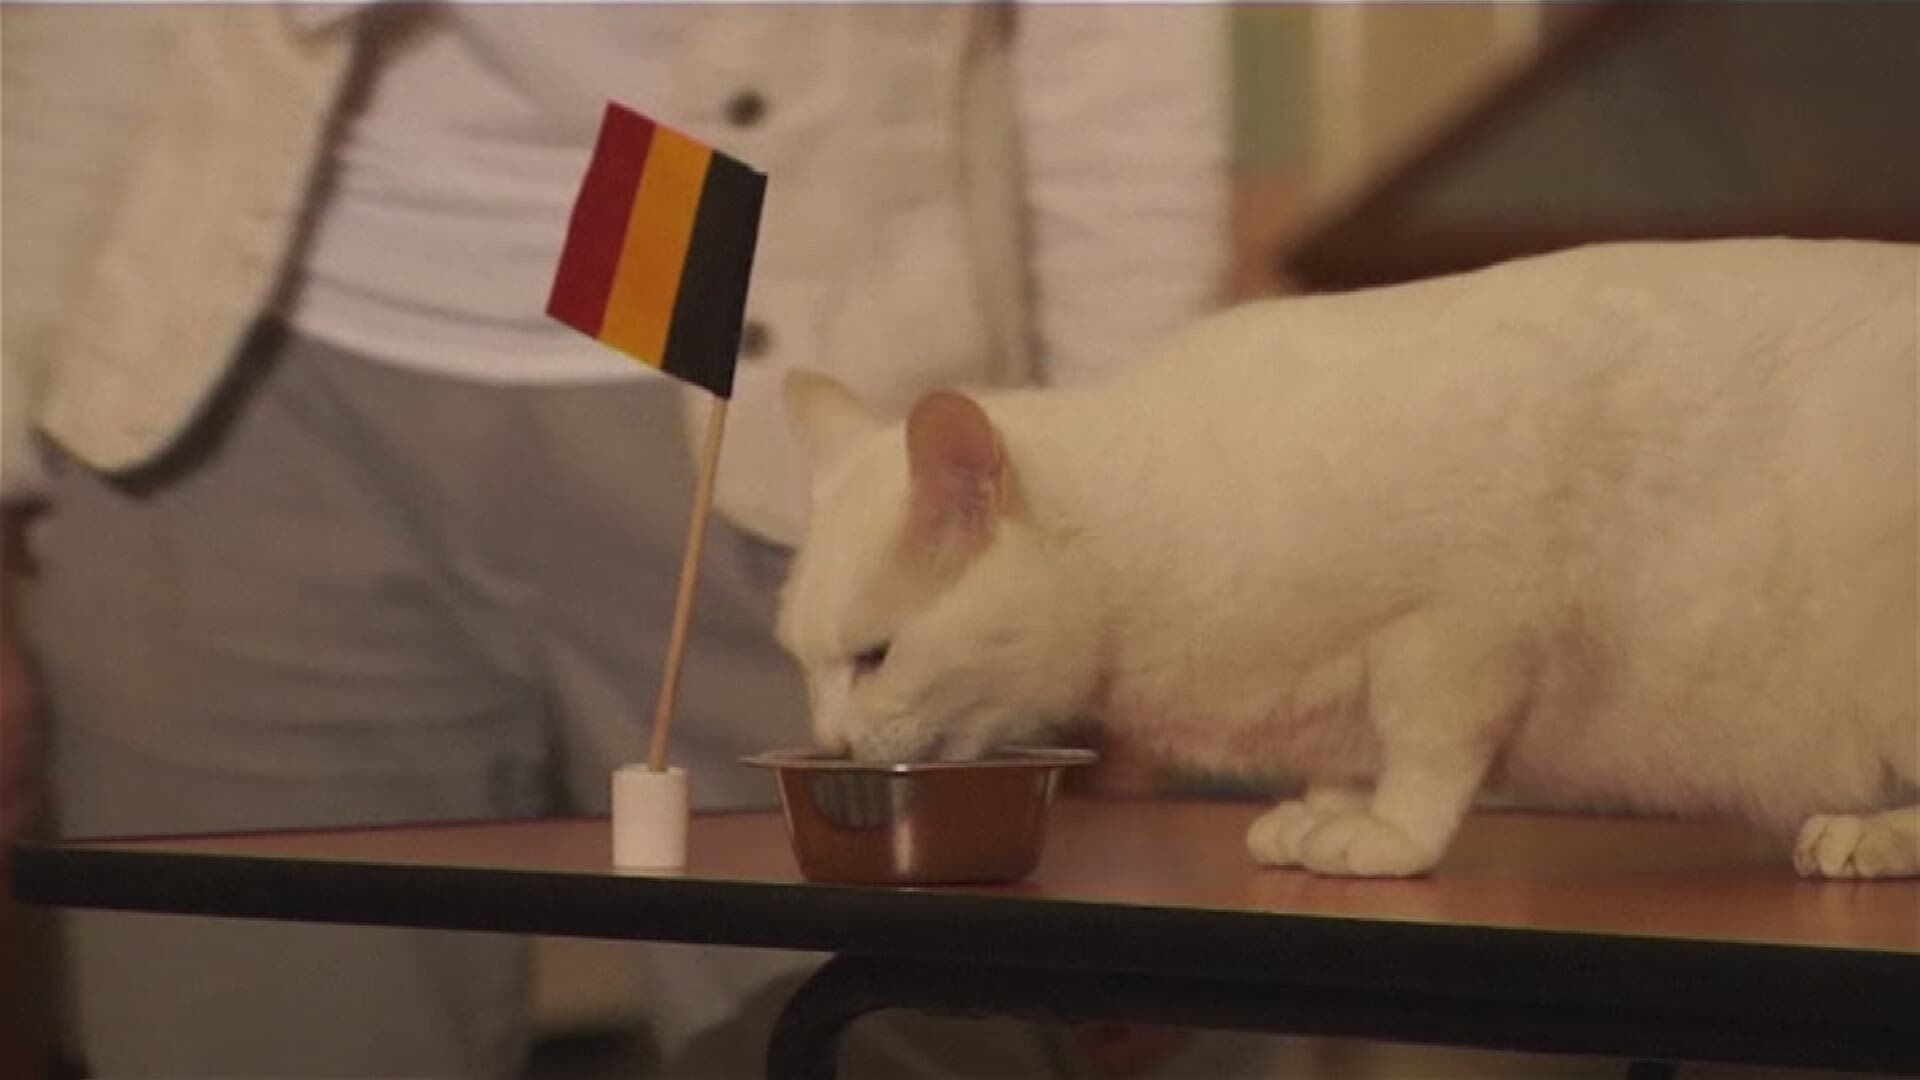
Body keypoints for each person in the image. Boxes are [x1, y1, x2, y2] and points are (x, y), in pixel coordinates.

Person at [1, 3, 1230, 1076]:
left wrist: (1123, 576)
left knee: (888, 1036)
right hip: (222, 384)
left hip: (818, 417)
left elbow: (1114, 53)